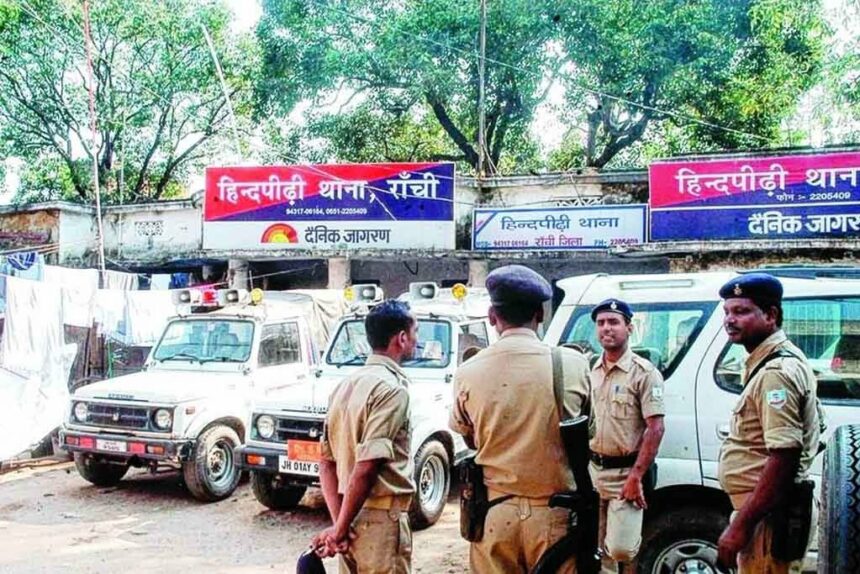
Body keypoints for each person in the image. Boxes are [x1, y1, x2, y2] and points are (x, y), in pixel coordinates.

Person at [450, 264, 591, 573]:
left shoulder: (468, 372)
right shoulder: (573, 364)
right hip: (556, 516)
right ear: (540, 314)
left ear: (491, 316)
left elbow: (468, 437)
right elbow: (587, 431)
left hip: (494, 516)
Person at [716, 273, 822, 573]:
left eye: (741, 311)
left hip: (769, 516)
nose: (730, 320)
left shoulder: (776, 371)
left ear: (771, 315)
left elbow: (784, 455)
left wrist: (741, 527)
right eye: (727, 312)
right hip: (764, 513)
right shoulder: (769, 361)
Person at [311, 299, 418, 574]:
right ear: (402, 338)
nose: (416, 340)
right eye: (415, 333)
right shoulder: (393, 390)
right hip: (381, 523)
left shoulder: (344, 386)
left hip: (350, 516)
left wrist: (340, 526)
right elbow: (367, 466)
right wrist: (339, 529)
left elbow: (326, 463)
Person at [589, 298, 665, 573]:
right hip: (593, 472)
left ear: (629, 328)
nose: (606, 329)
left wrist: (636, 477)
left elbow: (655, 428)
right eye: (600, 323)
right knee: (594, 550)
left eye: (613, 322)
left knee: (622, 547)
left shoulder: (644, 373)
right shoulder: (591, 370)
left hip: (625, 475)